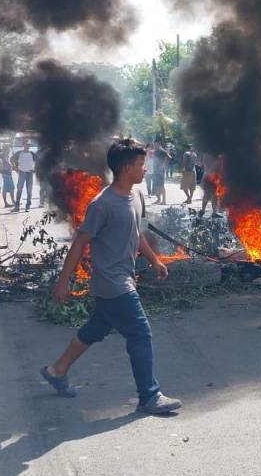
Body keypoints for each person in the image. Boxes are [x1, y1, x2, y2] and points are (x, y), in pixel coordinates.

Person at [43, 138, 181, 415]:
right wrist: (63, 281)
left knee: (94, 330)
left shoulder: (136, 196)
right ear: (127, 167)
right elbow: (80, 242)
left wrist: (155, 261)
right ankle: (149, 396)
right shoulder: (102, 204)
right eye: (142, 164)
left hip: (120, 279)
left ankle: (56, 370)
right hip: (113, 282)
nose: (146, 169)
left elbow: (136, 232)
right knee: (140, 333)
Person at [12, 139, 37, 212]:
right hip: (22, 172)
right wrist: (15, 167)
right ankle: (17, 206)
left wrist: (35, 168)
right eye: (26, 145)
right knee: (19, 190)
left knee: (29, 191)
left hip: (29, 173)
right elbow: (11, 159)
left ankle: (28, 206)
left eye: (28, 145)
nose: (27, 146)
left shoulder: (32, 153)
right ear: (23, 145)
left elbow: (38, 161)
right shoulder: (19, 153)